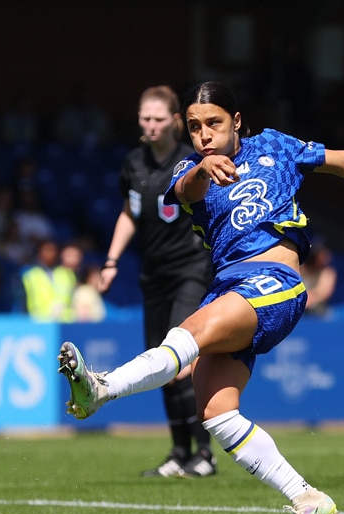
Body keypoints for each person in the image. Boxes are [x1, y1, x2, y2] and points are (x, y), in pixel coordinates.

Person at [56, 81, 344, 514]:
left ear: (236, 122)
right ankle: (308, 497)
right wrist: (203, 167)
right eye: (195, 127)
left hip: (275, 284)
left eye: (214, 123)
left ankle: (102, 388)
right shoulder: (189, 168)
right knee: (216, 412)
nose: (204, 135)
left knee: (186, 333)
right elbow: (184, 189)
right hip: (229, 289)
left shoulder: (275, 145)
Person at [99, 85, 216, 478]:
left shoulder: (192, 161)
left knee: (178, 358)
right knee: (157, 362)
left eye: (158, 119)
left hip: (191, 270)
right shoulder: (133, 164)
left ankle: (205, 453)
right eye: (144, 118)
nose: (150, 125)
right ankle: (179, 453)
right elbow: (129, 214)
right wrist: (111, 261)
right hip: (155, 275)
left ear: (175, 123)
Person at [20, 239, 75, 322]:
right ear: (39, 252)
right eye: (47, 250)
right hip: (39, 323)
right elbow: (23, 302)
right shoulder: (29, 275)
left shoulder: (67, 274)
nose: (50, 253)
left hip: (65, 323)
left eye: (53, 250)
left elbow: (73, 299)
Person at [299, 239, 337, 318]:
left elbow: (323, 293)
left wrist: (311, 297)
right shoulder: (301, 268)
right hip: (299, 306)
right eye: (322, 254)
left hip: (318, 310)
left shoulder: (328, 272)